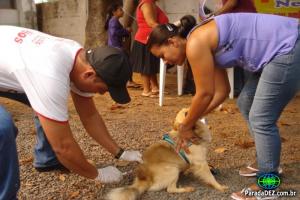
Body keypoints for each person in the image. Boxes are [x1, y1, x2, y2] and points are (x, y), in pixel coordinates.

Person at [147, 13, 299, 200]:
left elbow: (204, 94)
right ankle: (266, 160)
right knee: (246, 102)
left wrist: (186, 125)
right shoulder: (200, 41)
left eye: (162, 56)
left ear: (172, 42)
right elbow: (220, 92)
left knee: (261, 118)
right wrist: (191, 121)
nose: (165, 62)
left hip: (288, 46)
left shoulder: (195, 44)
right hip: (278, 49)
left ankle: (268, 184)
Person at [0, 25, 143, 200]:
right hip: (24, 68)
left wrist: (120, 152)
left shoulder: (78, 58)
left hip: (12, 65)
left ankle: (46, 160)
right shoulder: (49, 75)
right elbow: (63, 147)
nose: (102, 94)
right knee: (3, 128)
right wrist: (95, 174)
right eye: (102, 89)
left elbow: (89, 116)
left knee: (50, 106)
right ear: (89, 75)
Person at [198, 0, 258, 97]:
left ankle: (250, 93)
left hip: (245, 21)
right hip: (234, 23)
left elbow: (232, 3)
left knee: (247, 56)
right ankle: (239, 90)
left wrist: (214, 15)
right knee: (236, 55)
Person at [131, 0, 168, 97]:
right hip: (144, 39)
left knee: (150, 65)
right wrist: (167, 30)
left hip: (151, 39)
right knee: (145, 66)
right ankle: (146, 90)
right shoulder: (146, 3)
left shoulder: (151, 3)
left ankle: (155, 87)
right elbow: (151, 22)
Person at [105, 2, 139, 89]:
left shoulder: (114, 20)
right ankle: (128, 81)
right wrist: (126, 31)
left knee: (122, 63)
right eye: (120, 10)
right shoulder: (114, 21)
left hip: (115, 46)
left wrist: (125, 31)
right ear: (114, 12)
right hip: (116, 47)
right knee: (128, 63)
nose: (123, 11)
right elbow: (114, 33)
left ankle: (126, 81)